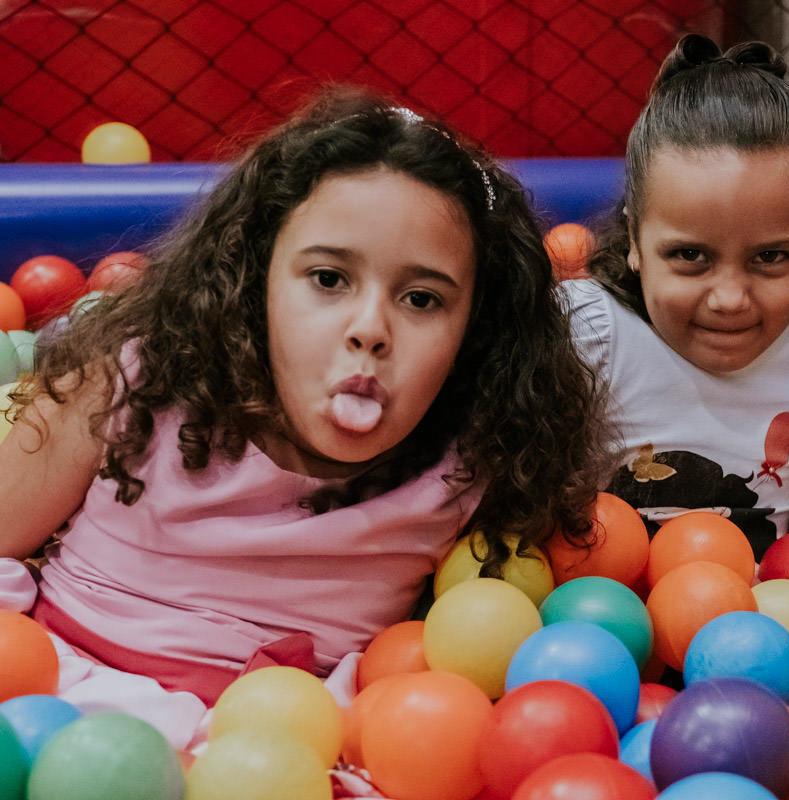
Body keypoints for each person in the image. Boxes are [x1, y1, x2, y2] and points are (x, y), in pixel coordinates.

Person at [0, 88, 605, 746]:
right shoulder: (138, 382)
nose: (370, 329)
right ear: (255, 278)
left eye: (422, 298)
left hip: (285, 747)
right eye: (327, 279)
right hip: (59, 712)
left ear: (475, 331)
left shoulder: (475, 457)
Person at [563, 34, 789, 560]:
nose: (730, 298)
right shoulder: (591, 333)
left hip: (766, 626)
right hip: (602, 623)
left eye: (770, 257)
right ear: (636, 242)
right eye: (691, 256)